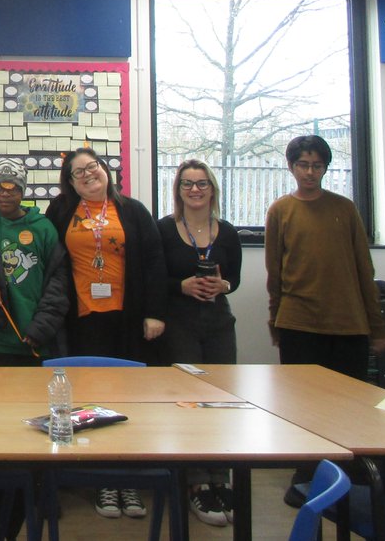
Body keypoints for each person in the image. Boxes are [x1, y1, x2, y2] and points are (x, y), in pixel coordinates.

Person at [265, 134, 385, 507]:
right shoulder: (281, 210)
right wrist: (276, 321)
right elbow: (275, 272)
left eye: (317, 165)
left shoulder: (345, 209)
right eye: (303, 164)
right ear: (291, 167)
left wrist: (377, 328)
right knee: (302, 408)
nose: (309, 172)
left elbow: (364, 270)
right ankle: (305, 477)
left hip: (349, 324)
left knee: (349, 406)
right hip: (298, 323)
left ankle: (348, 476)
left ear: (325, 168)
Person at [44, 147, 166, 521]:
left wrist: (155, 313)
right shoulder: (61, 211)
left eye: (91, 167)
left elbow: (154, 262)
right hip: (82, 318)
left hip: (126, 316)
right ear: (69, 183)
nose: (86, 175)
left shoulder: (133, 211)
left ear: (105, 170)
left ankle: (127, 478)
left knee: (128, 396)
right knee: (91, 397)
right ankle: (102, 481)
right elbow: (51, 262)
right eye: (77, 173)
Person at [159, 159, 241, 527]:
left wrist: (222, 285)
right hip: (180, 324)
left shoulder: (227, 232)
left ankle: (219, 477)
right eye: (187, 184)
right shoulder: (164, 229)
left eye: (202, 183)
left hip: (219, 323)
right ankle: (196, 483)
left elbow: (234, 279)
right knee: (190, 402)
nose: (195, 190)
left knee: (221, 401)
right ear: (178, 190)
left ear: (212, 189)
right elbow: (155, 276)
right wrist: (182, 285)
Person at [0, 158, 69, 364]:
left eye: (13, 189)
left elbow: (59, 282)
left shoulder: (44, 228)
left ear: (23, 191)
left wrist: (42, 327)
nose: (5, 195)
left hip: (38, 339)